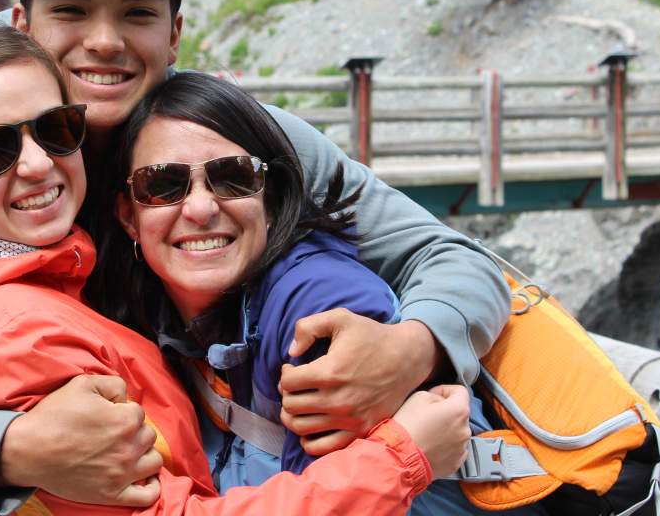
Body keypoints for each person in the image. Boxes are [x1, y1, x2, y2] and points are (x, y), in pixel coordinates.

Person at [0, 0, 510, 514]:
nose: (106, 40)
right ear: (25, 23)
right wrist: (17, 450)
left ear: (174, 34)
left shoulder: (239, 138)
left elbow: (448, 255)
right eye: (71, 9)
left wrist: (413, 349)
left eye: (138, 12)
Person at [104, 71, 547, 515]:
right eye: (161, 185)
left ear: (272, 200)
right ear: (128, 216)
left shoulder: (316, 308)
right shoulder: (171, 317)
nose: (200, 209)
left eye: (233, 178)